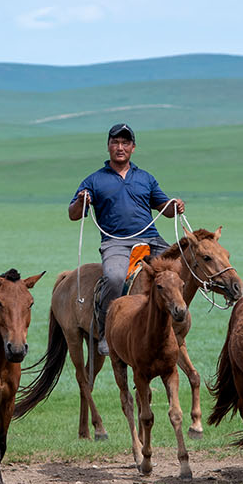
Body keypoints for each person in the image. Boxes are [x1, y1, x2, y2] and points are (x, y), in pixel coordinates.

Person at [69, 123, 184, 355]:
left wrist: (175, 205)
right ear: (108, 146)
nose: (119, 147)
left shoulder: (145, 178)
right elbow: (73, 214)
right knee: (114, 277)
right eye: (115, 142)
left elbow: (164, 208)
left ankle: (178, 322)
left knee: (183, 264)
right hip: (116, 242)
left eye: (125, 143)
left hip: (151, 238)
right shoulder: (93, 180)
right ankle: (104, 333)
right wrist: (82, 201)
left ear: (133, 147)